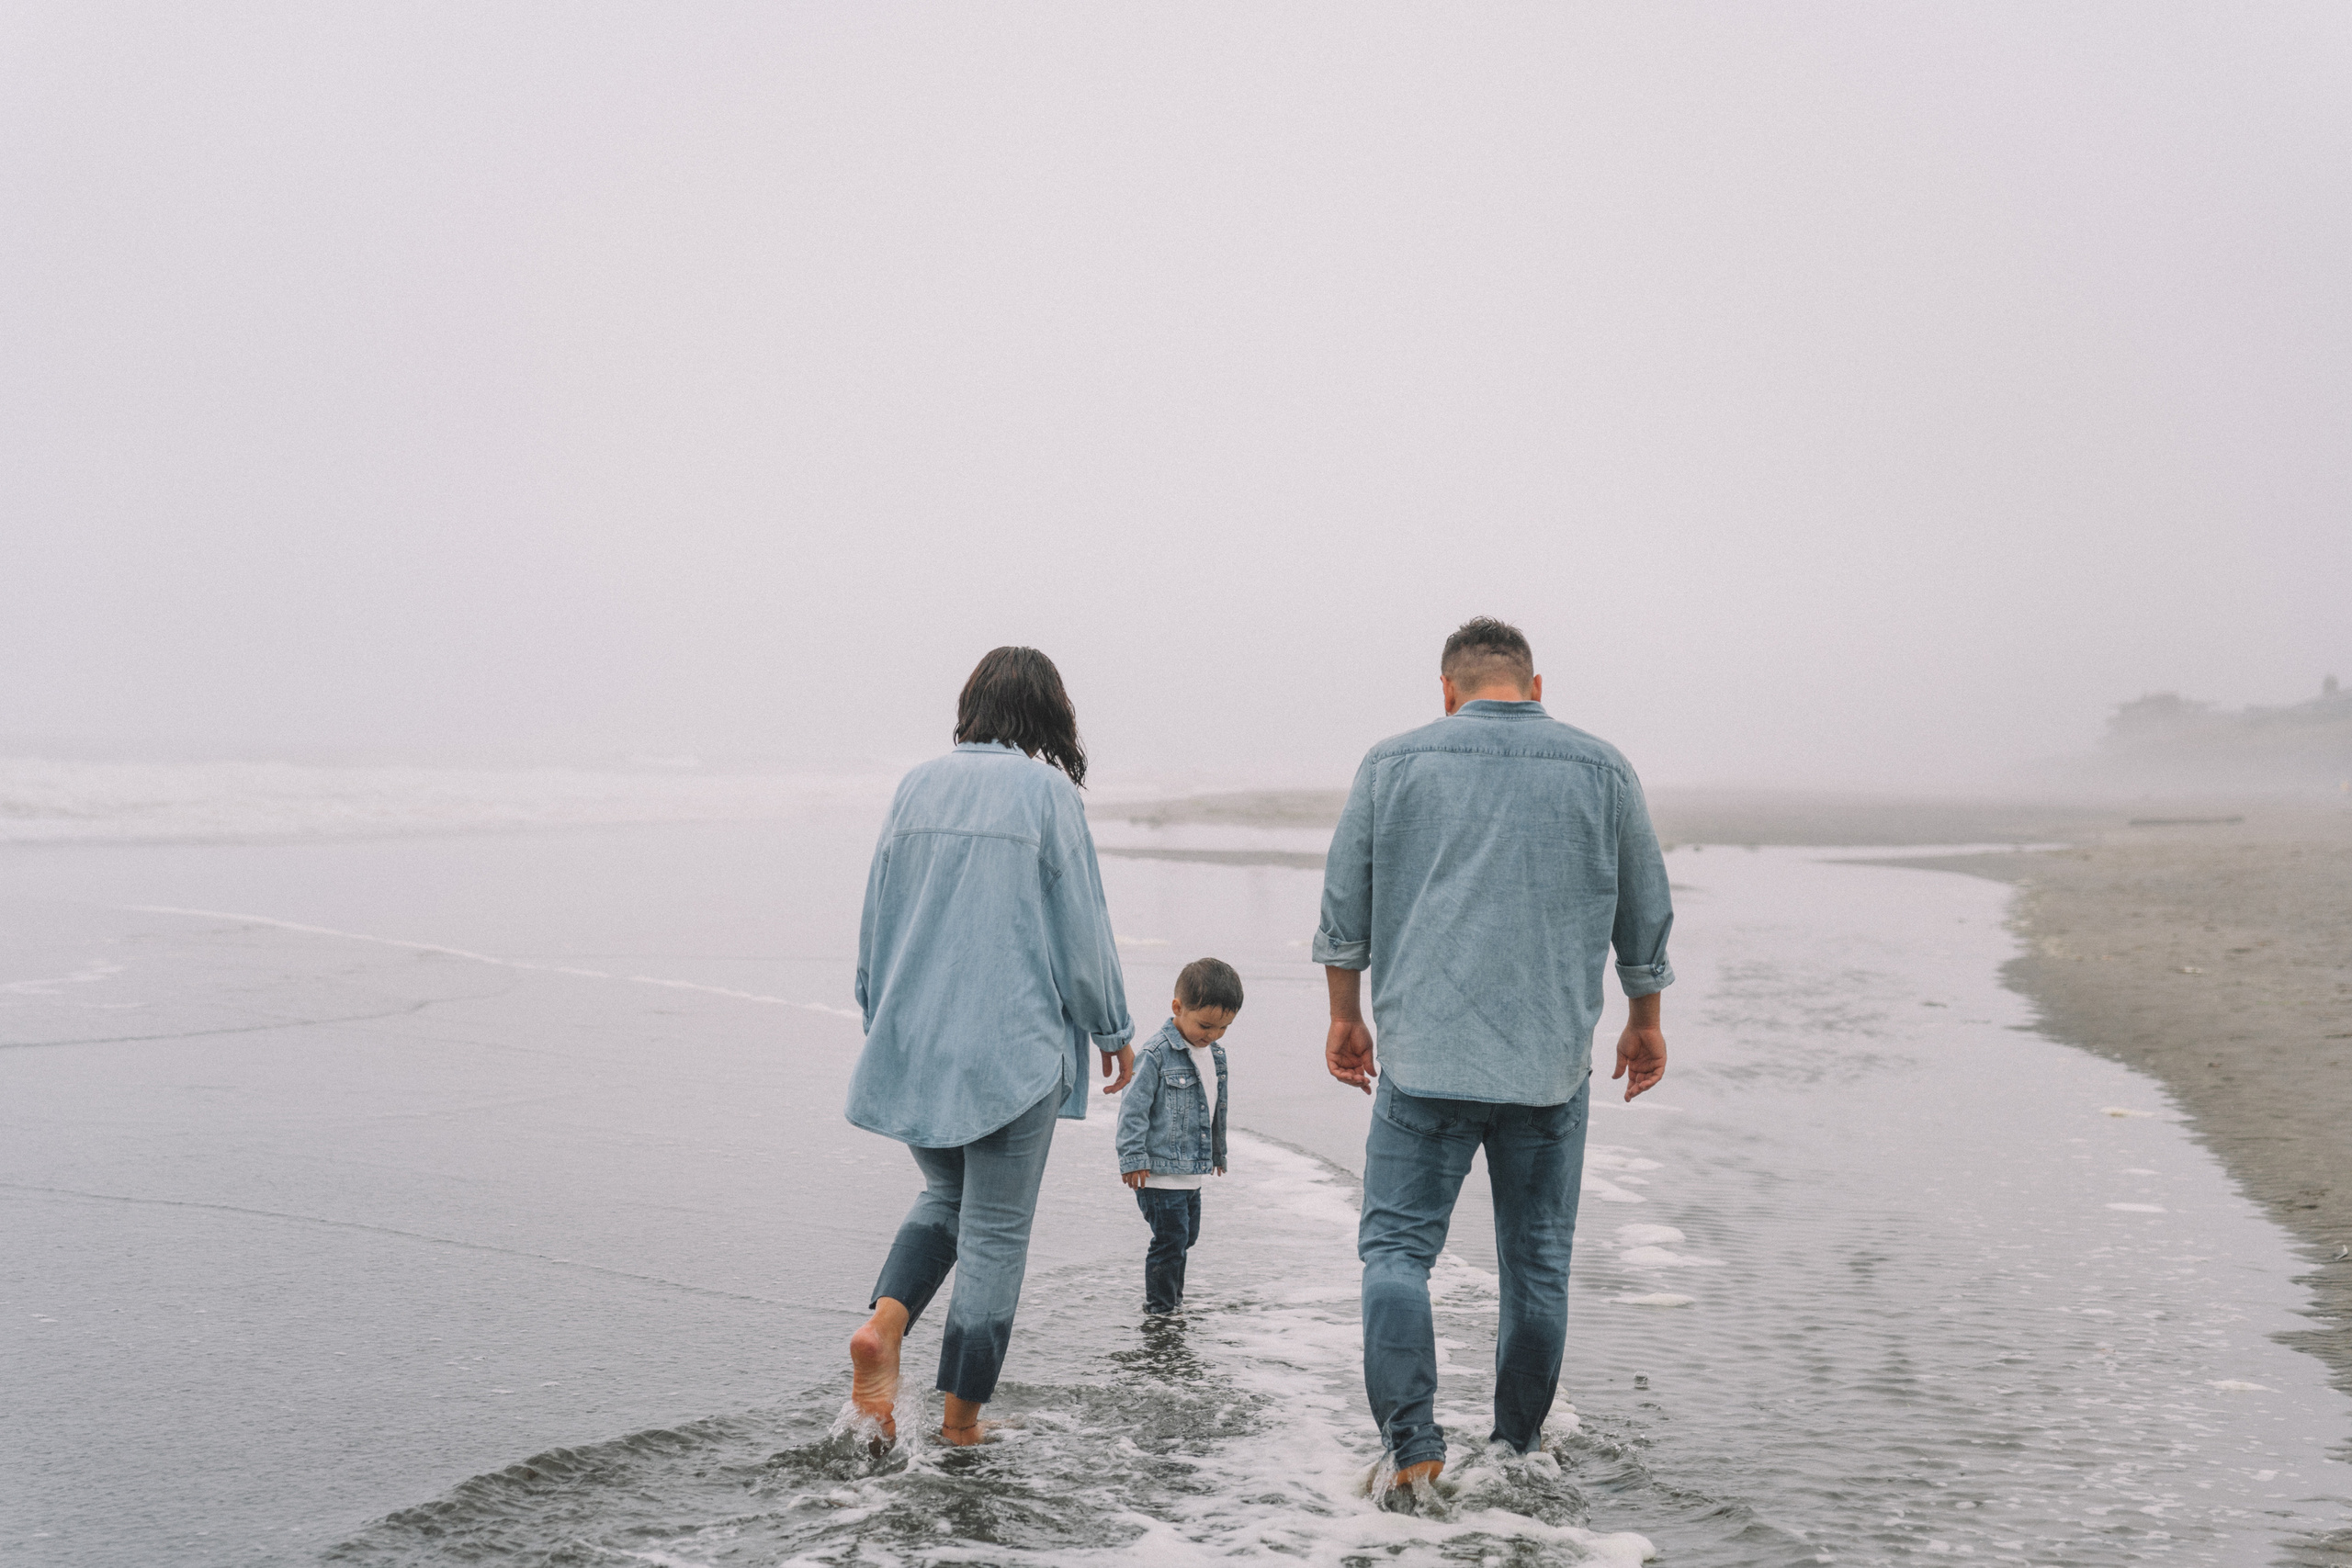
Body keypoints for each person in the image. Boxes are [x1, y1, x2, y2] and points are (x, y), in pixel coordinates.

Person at [1314, 616, 1674, 1496]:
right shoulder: (1603, 767)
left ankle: (1414, 1450)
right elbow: (1645, 912)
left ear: (1448, 690)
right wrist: (1643, 1019)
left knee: (1396, 1253)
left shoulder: (1391, 763)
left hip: (1424, 1062)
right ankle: (1517, 1454)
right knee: (1537, 1265)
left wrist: (1344, 1017)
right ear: (1535, 685)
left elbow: (1342, 912)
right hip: (1549, 1070)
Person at [843, 646, 1136, 1447]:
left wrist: (881, 1015)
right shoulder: (1047, 794)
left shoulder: (916, 785)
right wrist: (1112, 1024)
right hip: (1010, 1047)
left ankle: (885, 1325)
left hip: (915, 1037)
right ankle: (961, 1421)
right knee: (997, 1234)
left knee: (946, 1198)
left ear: (972, 705)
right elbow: (1081, 924)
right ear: (1049, 714)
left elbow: (878, 912)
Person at [1114, 957, 1241, 1314]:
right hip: (1157, 1171)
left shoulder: (1215, 1055)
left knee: (1187, 1237)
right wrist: (1133, 1159)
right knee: (1170, 1240)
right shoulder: (1156, 1054)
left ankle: (1173, 1301)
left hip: (1190, 1171)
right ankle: (1161, 1308)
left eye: (1224, 1028)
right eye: (1205, 1025)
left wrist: (1217, 1155)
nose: (1212, 1035)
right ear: (1177, 1007)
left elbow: (1214, 1108)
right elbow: (1132, 1109)